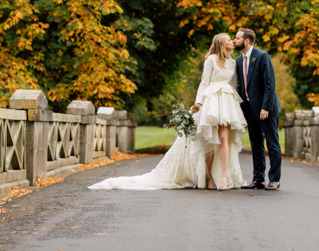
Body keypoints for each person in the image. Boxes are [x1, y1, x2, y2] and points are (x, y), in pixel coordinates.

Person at [87, 33, 247, 190]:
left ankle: (224, 176)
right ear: (220, 43)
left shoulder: (233, 63)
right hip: (210, 101)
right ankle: (211, 177)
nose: (232, 41)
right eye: (228, 40)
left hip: (226, 102)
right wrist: (198, 103)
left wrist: (236, 106)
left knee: (224, 137)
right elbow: (204, 83)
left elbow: (233, 85)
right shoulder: (211, 60)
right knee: (210, 140)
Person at [234, 28, 282, 190]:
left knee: (272, 144)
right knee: (256, 144)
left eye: (237, 38)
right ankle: (258, 178)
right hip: (250, 110)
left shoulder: (262, 56)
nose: (235, 41)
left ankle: (274, 179)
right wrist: (242, 108)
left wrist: (265, 107)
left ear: (246, 41)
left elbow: (270, 84)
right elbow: (241, 86)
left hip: (266, 109)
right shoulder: (239, 61)